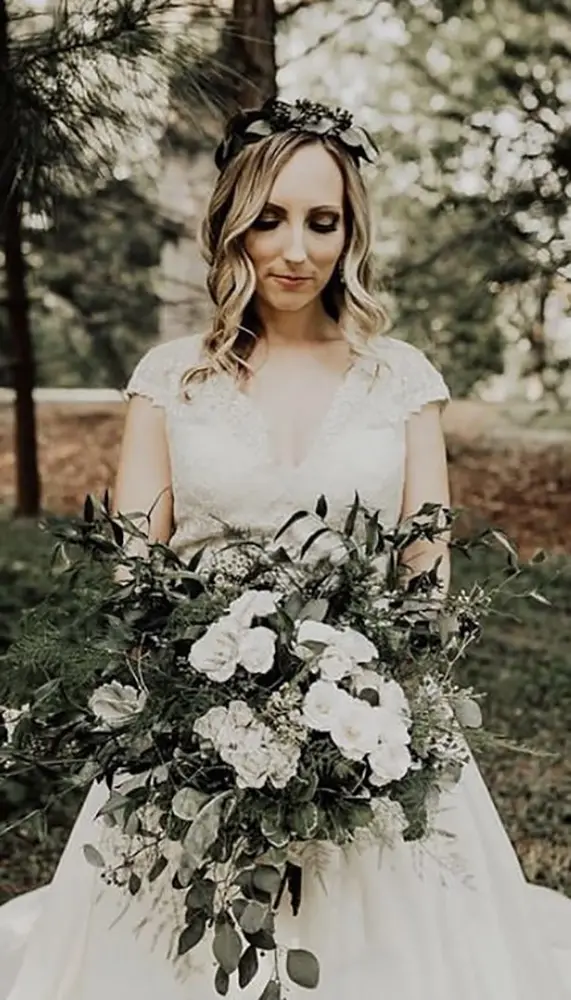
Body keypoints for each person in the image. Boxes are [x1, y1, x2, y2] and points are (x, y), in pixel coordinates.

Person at [0, 98, 570, 1000]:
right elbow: (135, 567)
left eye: (321, 221)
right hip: (196, 707)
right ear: (230, 227)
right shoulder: (171, 378)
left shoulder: (403, 379)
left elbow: (427, 566)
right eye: (267, 220)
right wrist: (202, 698)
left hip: (373, 710)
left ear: (352, 234)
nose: (295, 249)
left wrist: (372, 695)